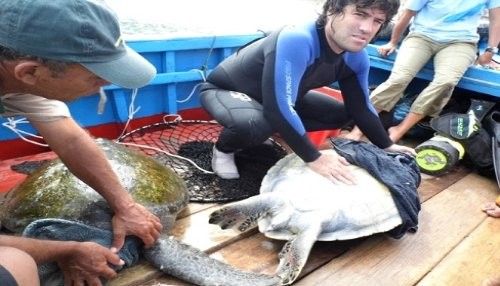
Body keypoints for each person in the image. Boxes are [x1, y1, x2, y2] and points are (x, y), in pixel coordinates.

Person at [0, 0, 163, 285]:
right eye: (96, 77)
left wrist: (125, 206)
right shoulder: (28, 72)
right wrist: (68, 250)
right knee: (17, 265)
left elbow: (71, 140)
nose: (105, 86)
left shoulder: (21, 76)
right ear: (30, 72)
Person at [200, 0, 416, 183]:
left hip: (276, 99)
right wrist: (314, 158)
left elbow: (360, 107)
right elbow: (278, 108)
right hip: (226, 90)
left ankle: (266, 132)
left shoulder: (356, 56)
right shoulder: (298, 39)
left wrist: (386, 145)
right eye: (360, 14)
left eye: (377, 21)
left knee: (344, 114)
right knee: (256, 123)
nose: (367, 28)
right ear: (332, 9)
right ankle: (224, 150)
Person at [345, 0, 500, 143]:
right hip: (422, 36)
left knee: (445, 82)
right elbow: (407, 14)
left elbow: (496, 18)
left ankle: (399, 129)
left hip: (461, 42)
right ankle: (360, 128)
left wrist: (490, 51)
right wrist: (393, 42)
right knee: (399, 78)